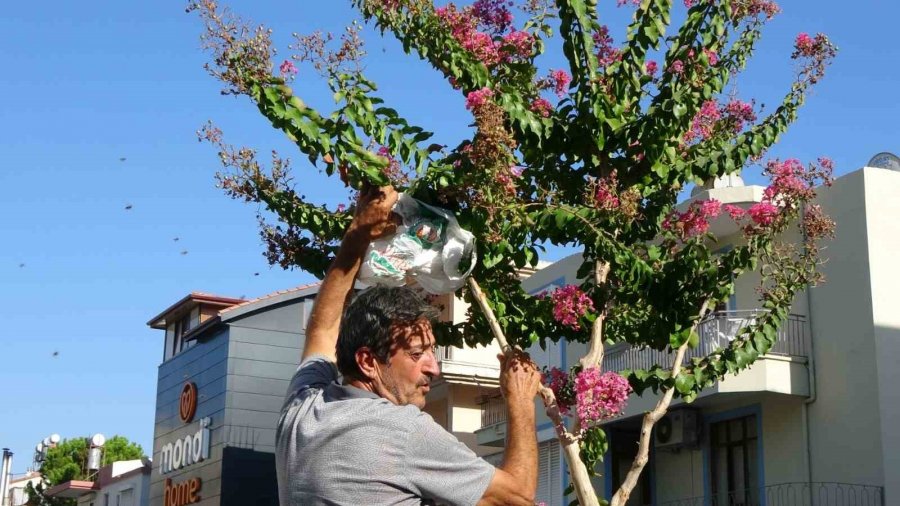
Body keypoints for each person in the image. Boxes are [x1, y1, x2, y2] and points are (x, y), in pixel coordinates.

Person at [275, 185, 542, 506]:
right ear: (367, 361)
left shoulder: (303, 409)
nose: (433, 367)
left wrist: (359, 232)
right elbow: (518, 496)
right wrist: (521, 400)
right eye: (416, 354)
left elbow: (324, 326)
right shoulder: (401, 430)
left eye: (431, 350)